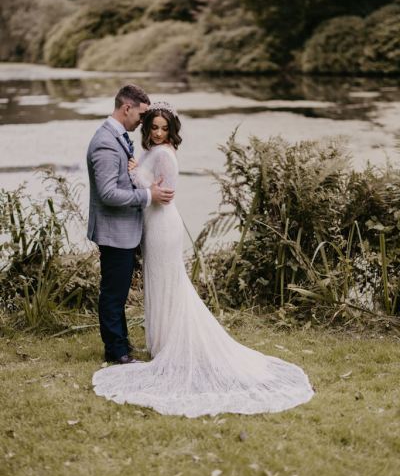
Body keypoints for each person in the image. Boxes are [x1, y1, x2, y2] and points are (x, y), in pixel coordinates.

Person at [92, 102, 314, 417]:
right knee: (160, 283)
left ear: (171, 130)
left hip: (162, 225)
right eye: (153, 127)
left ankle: (171, 346)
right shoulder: (155, 151)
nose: (157, 133)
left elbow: (166, 192)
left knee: (168, 283)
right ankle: (162, 344)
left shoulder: (166, 154)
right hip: (152, 224)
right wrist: (138, 175)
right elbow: (148, 185)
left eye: (163, 128)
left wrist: (135, 175)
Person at [87, 86, 174, 364]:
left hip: (124, 230)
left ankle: (121, 343)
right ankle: (116, 352)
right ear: (127, 108)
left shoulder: (117, 136)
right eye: (142, 114)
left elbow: (124, 179)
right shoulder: (105, 142)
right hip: (115, 231)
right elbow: (108, 193)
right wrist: (149, 195)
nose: (144, 121)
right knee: (113, 293)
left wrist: (137, 173)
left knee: (119, 290)